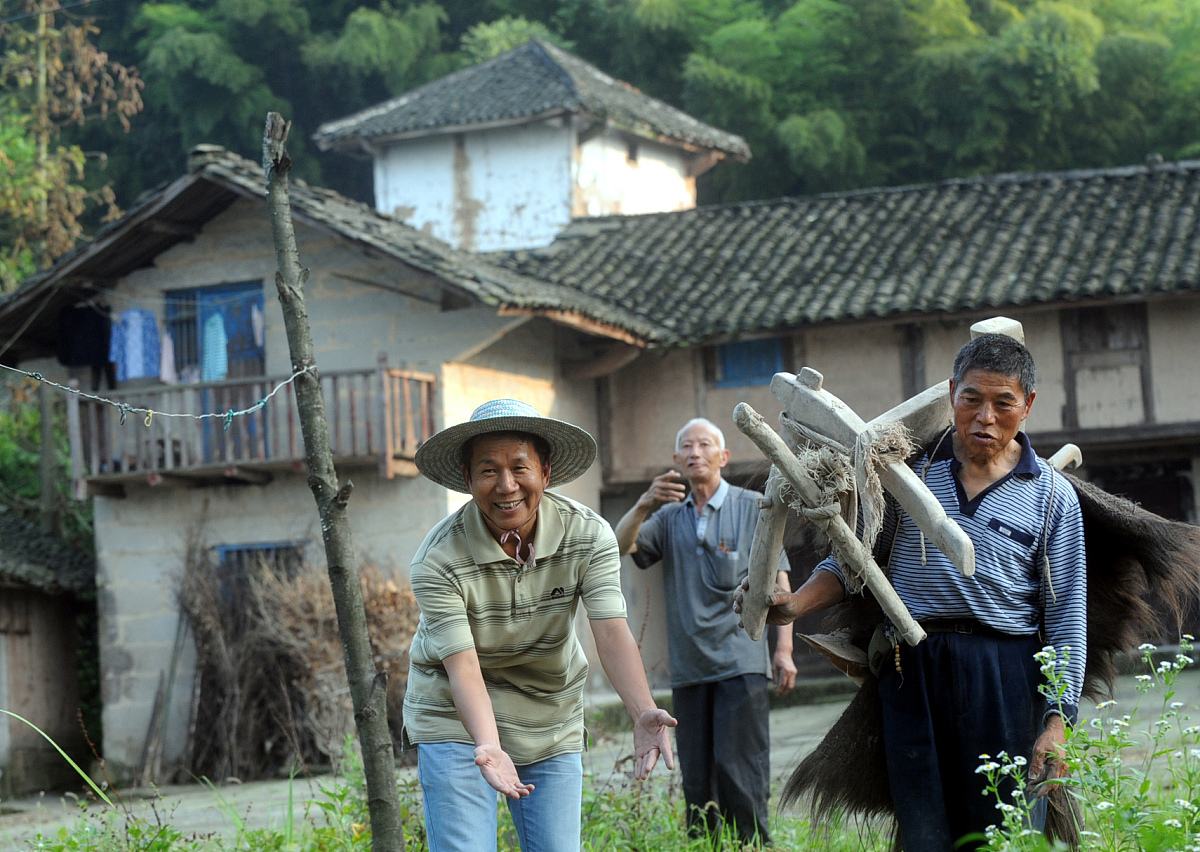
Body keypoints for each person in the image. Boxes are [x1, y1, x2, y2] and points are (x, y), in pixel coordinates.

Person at [736, 333, 1087, 852]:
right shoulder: (907, 474)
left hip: (1006, 676)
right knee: (923, 831)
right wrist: (791, 607)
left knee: (1006, 832)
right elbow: (851, 561)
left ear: (1027, 406)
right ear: (951, 395)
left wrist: (1058, 720)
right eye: (971, 399)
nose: (984, 417)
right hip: (913, 665)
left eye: (1002, 403)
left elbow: (1066, 618)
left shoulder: (1054, 496)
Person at [403, 399, 676, 852]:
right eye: (488, 470)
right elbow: (463, 666)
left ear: (546, 473)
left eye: (520, 467)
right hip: (456, 716)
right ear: (468, 480)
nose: (506, 485)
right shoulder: (438, 559)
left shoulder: (588, 535)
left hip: (549, 712)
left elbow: (609, 629)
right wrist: (488, 745)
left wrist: (642, 709)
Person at [614, 417, 795, 846]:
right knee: (697, 778)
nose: (695, 453)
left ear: (723, 456)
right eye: (686, 448)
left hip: (741, 662)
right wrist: (642, 505)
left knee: (741, 771)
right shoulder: (667, 518)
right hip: (690, 669)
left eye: (704, 445)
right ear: (676, 460)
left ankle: (753, 845)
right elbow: (619, 546)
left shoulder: (754, 506)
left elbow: (781, 582)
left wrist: (783, 649)